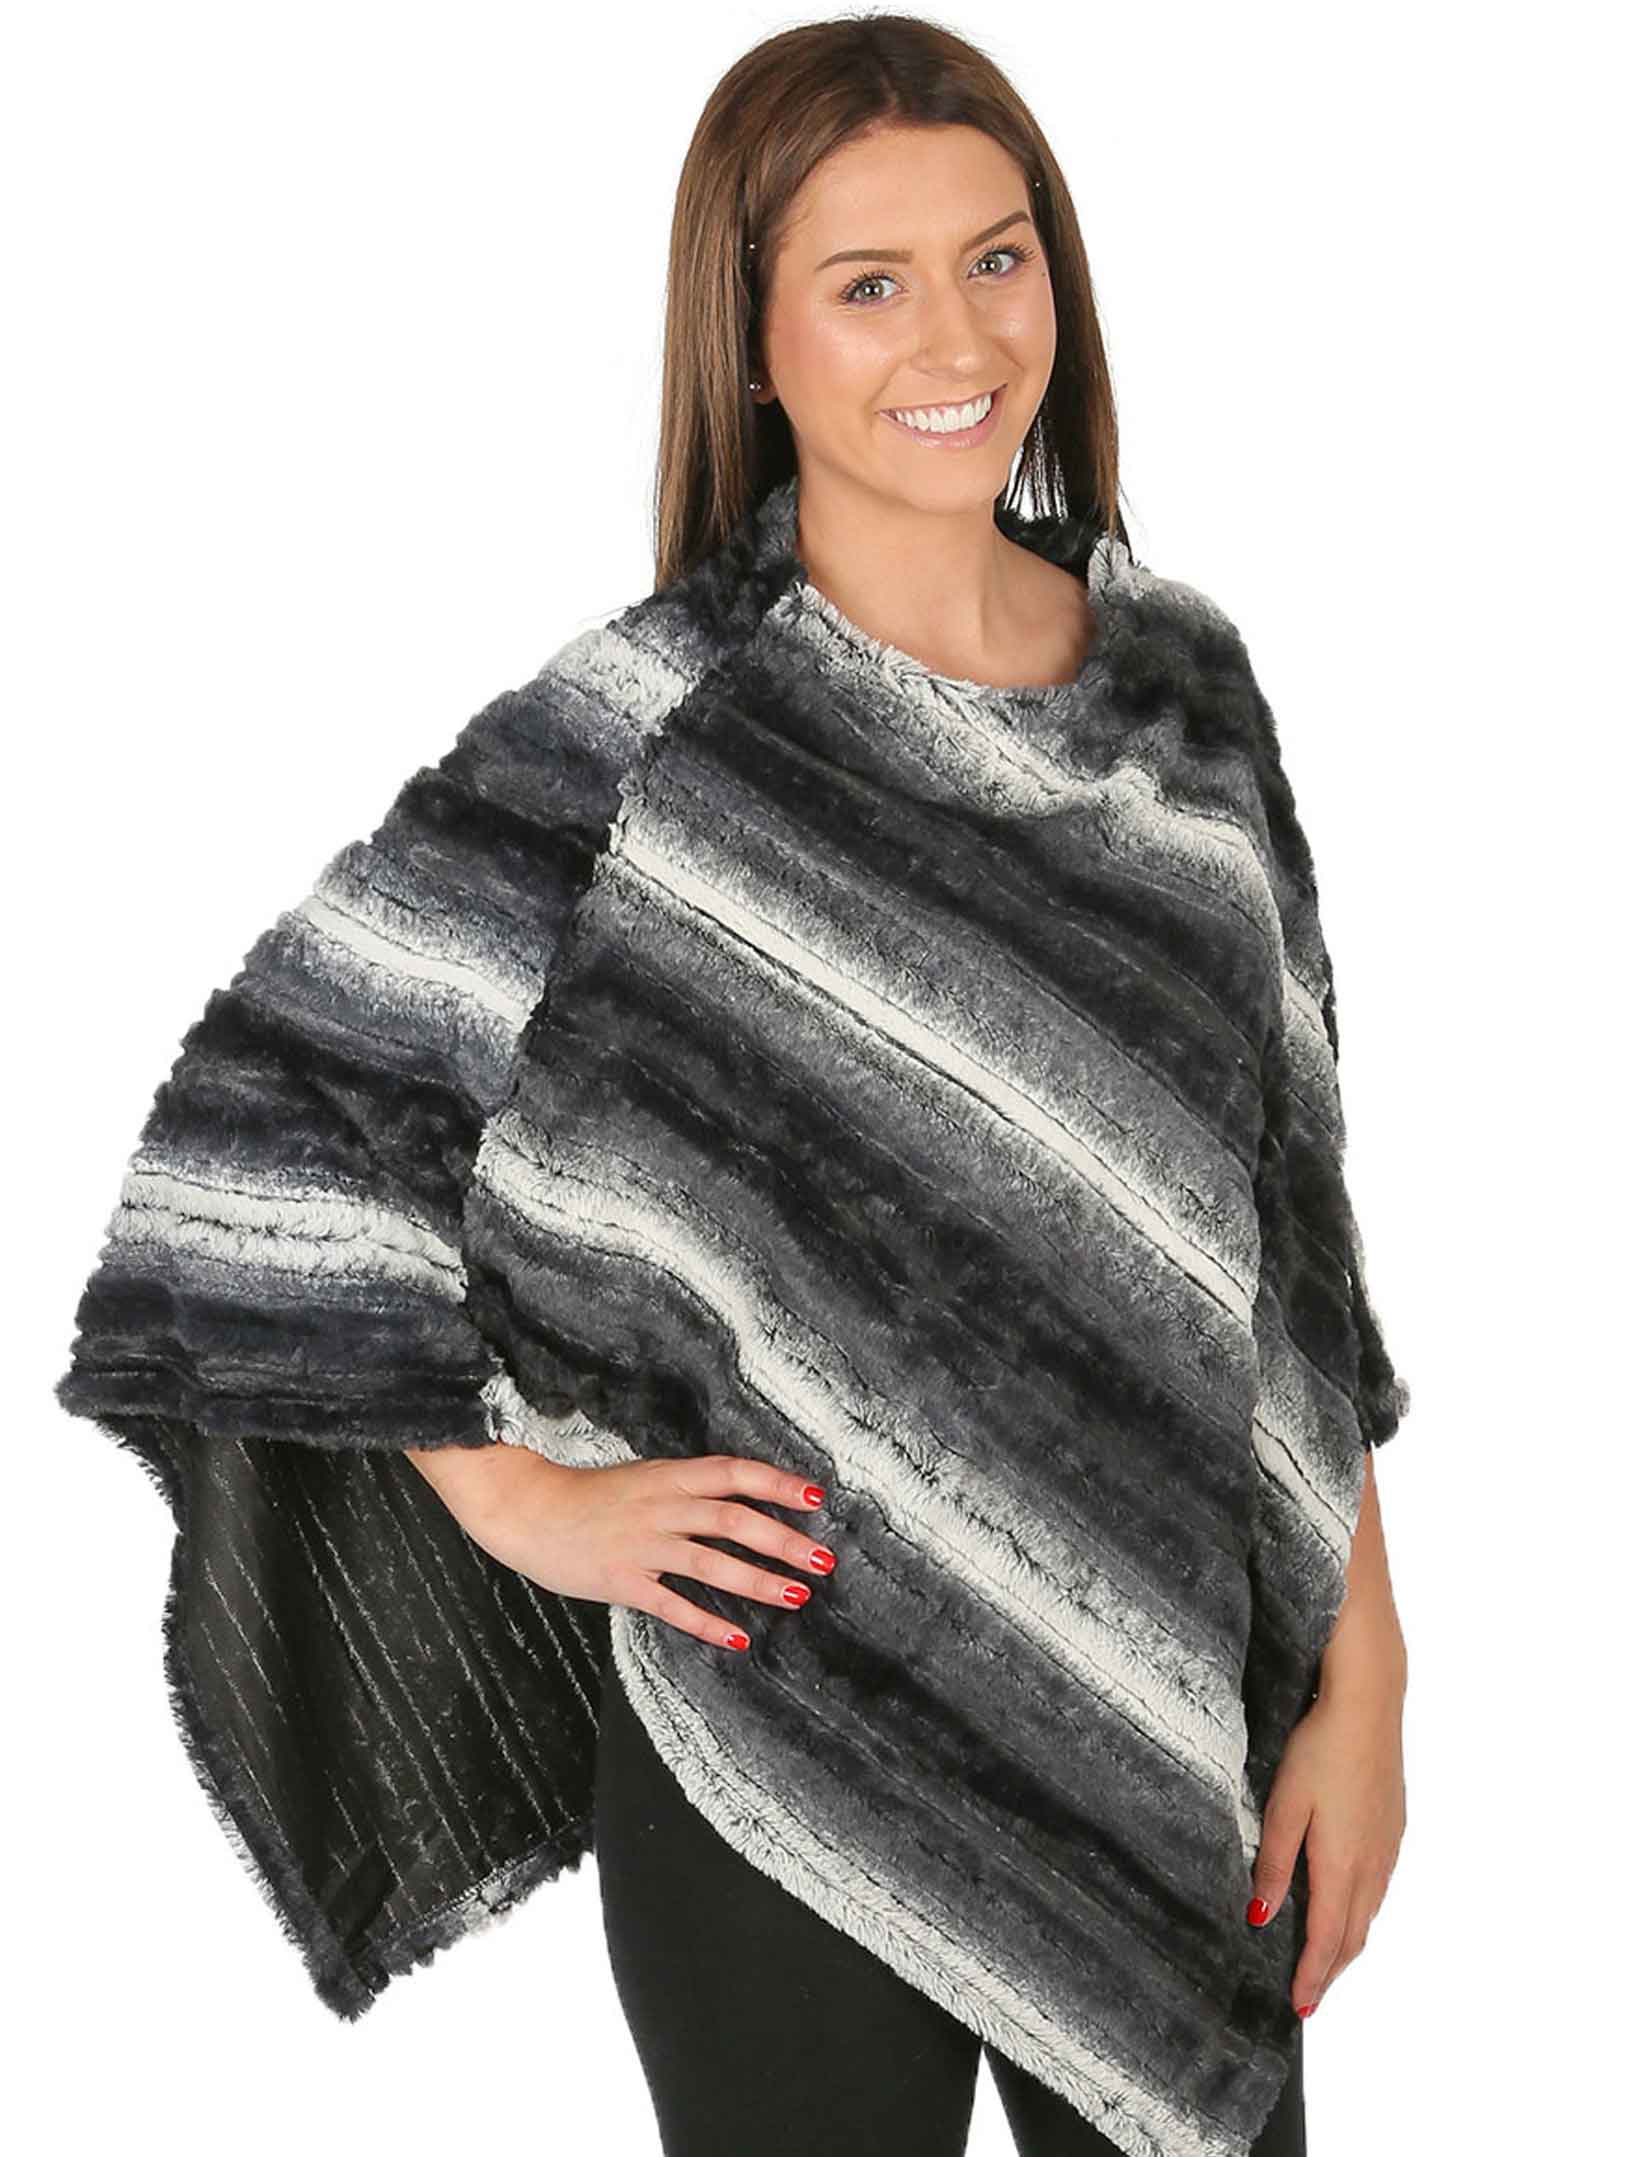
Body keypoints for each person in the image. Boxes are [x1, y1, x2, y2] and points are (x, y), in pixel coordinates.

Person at [55, 17, 1410, 2157]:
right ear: (755, 342)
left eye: (998, 258)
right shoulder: (651, 735)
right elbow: (277, 1137)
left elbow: (1281, 1244)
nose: (957, 338)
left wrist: (1369, 1679)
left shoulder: (1190, 700)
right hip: (773, 1741)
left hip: (1159, 1728)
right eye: (869, 284)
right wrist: (529, 1498)